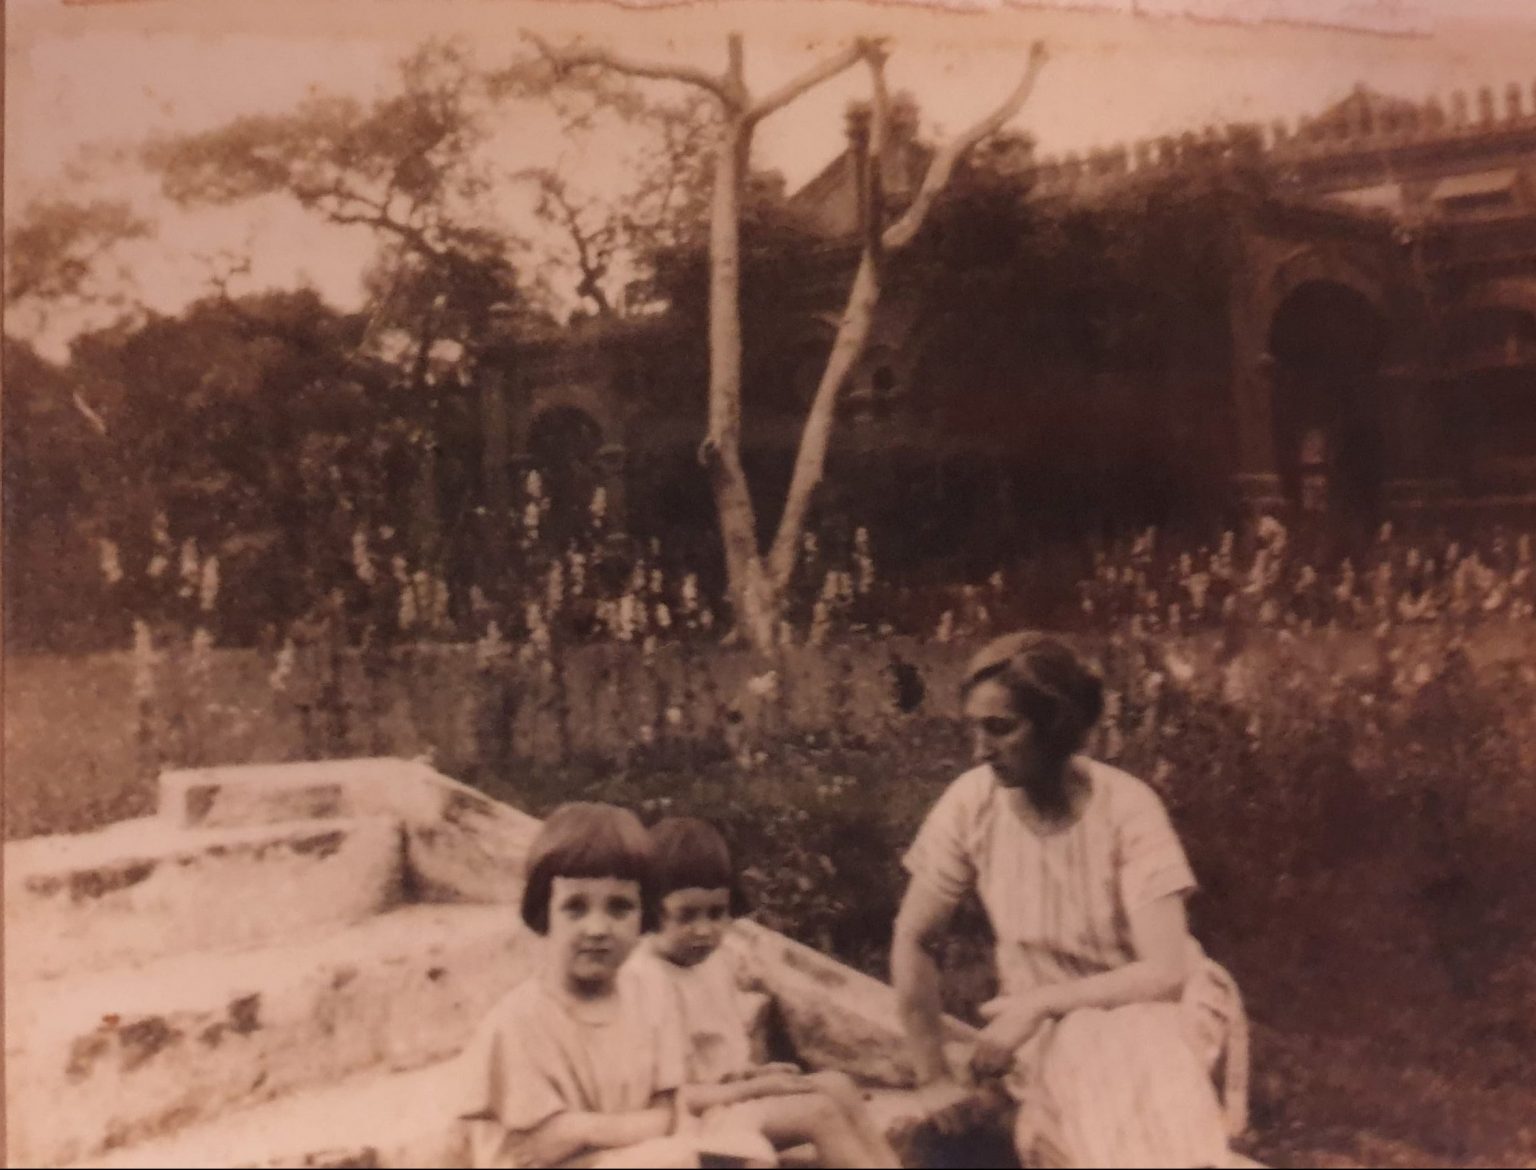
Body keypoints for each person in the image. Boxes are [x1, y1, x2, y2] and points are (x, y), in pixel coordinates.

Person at [890, 632, 1249, 1169]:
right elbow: (914, 937)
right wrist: (933, 1078)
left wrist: (1041, 1004)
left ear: (1055, 727)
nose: (980, 750)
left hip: (1156, 1010)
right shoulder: (972, 803)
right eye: (975, 728)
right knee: (1085, 1068)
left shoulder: (1127, 807)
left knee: (1108, 1052)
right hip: (1045, 1030)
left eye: (1001, 728)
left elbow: (1166, 971)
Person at [455, 802, 766, 1170]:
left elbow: (667, 1115)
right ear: (544, 913)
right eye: (575, 907)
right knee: (676, 1157)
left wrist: (584, 1129)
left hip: (631, 1157)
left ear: (645, 916)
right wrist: (619, 1132)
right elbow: (540, 1147)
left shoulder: (650, 999)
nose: (598, 929)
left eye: (619, 908)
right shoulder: (518, 1023)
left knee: (750, 1149)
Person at [627, 816, 902, 1170]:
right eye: (687, 916)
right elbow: (666, 1099)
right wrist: (753, 1090)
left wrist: (755, 1075)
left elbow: (721, 1062)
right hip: (688, 1122)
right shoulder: (645, 978)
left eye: (716, 913)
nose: (704, 931)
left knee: (838, 1085)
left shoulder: (711, 964)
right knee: (818, 1111)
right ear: (652, 910)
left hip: (729, 1102)